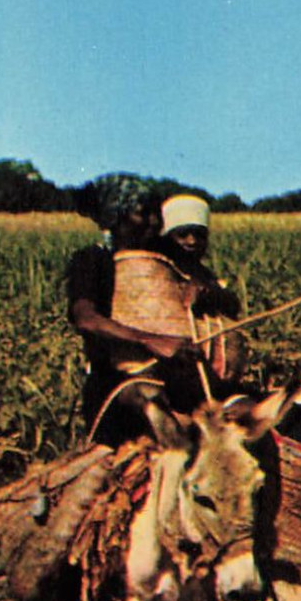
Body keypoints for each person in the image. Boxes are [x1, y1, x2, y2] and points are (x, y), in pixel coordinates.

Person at [66, 174, 200, 445]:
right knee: (153, 407)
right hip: (116, 381)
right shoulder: (93, 260)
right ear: (116, 218)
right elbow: (87, 319)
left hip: (176, 374)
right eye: (143, 213)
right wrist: (151, 340)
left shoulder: (168, 258)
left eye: (156, 214)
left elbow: (219, 291)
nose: (153, 223)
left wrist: (198, 288)